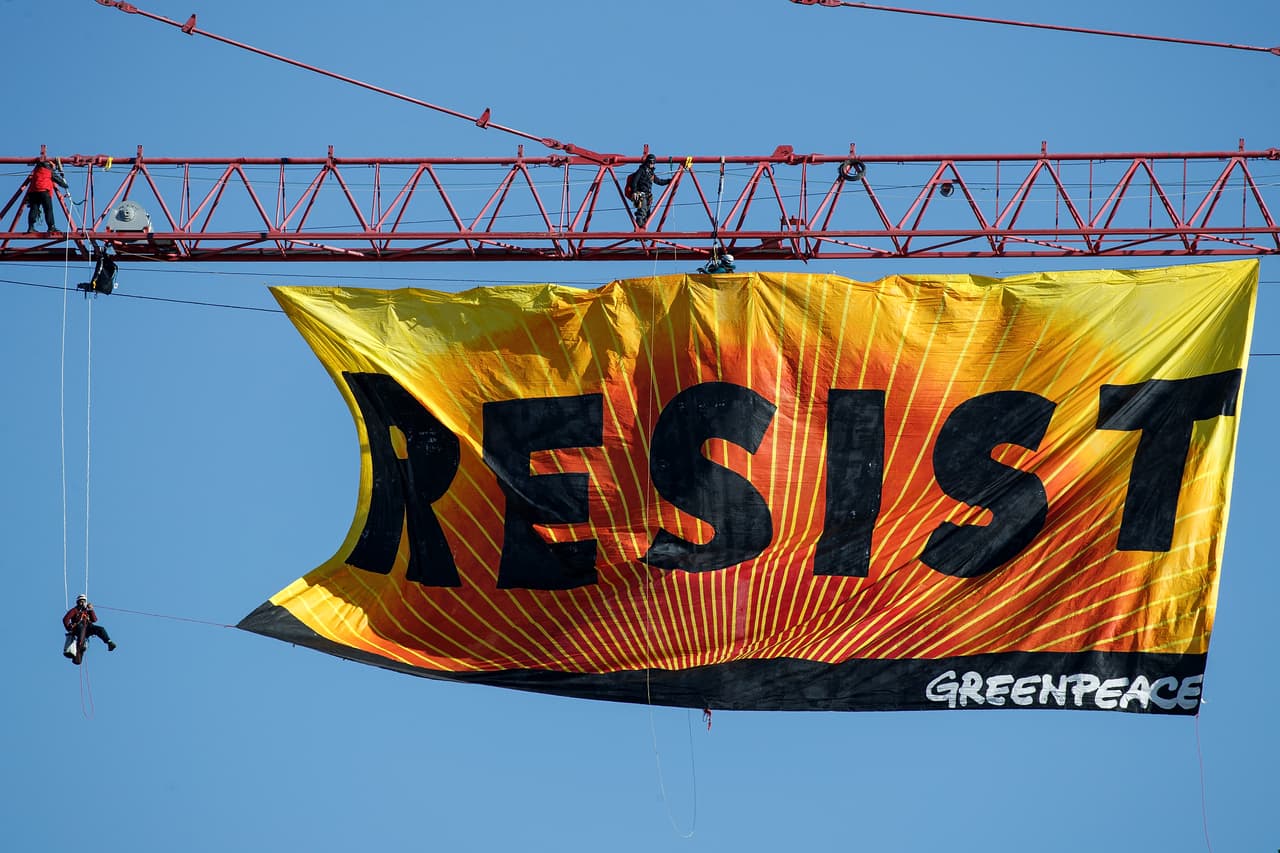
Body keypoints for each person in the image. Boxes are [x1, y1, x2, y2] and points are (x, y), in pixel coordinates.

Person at [626, 153, 673, 228]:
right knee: (642, 210)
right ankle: (639, 225)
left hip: (648, 196)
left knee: (647, 214)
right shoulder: (641, 170)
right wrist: (634, 192)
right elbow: (634, 181)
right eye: (650, 162)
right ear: (647, 162)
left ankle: (642, 230)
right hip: (641, 194)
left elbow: (659, 181)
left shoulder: (651, 174)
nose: (652, 164)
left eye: (653, 163)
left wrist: (670, 181)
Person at [26, 157, 69, 234]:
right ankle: (51, 227)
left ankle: (31, 227)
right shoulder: (48, 170)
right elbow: (57, 179)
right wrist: (65, 185)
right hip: (44, 191)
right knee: (48, 209)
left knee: (34, 209)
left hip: (33, 192)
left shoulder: (36, 171)